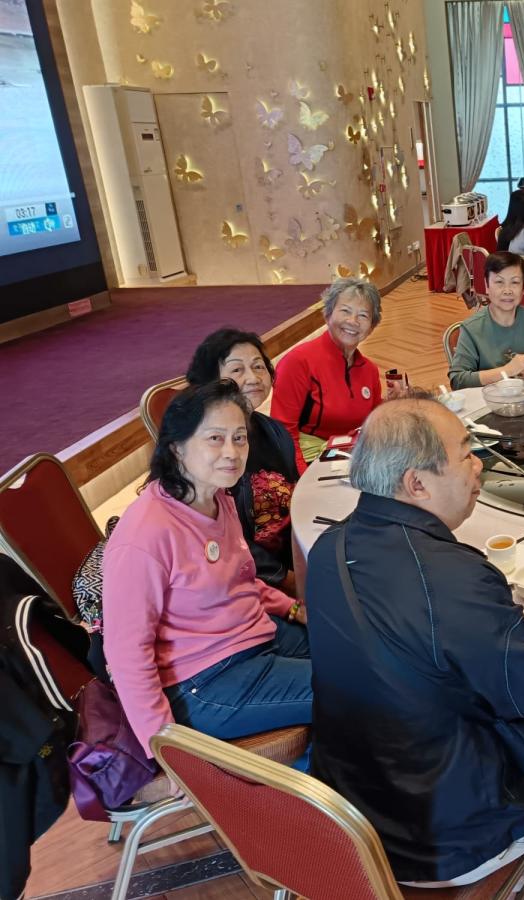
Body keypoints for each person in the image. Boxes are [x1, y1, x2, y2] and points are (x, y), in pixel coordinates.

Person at [305, 399, 524, 884]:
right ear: (416, 483)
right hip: (439, 840)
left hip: (347, 814)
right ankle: (522, 876)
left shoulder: (328, 547)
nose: (479, 466)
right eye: (467, 454)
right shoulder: (451, 578)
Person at [103, 380, 312, 756]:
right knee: (352, 689)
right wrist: (164, 747)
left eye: (239, 438)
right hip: (204, 680)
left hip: (254, 636)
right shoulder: (145, 535)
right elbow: (126, 652)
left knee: (355, 652)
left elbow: (240, 580)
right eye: (215, 438)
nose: (232, 452)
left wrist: (293, 608)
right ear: (177, 448)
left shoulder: (218, 497)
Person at [186, 329, 299, 589]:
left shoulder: (274, 431)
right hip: (243, 577)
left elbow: (295, 496)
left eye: (258, 366)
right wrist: (286, 578)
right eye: (237, 370)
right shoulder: (206, 452)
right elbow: (218, 537)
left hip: (291, 554)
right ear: (211, 381)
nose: (253, 378)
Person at [272, 277, 384, 471]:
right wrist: (301, 478)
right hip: (310, 463)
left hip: (355, 459)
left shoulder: (369, 370)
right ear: (328, 315)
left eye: (363, 315)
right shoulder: (298, 362)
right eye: (345, 311)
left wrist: (394, 403)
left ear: (372, 327)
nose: (353, 321)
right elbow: (282, 432)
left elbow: (373, 424)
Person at [448, 250, 524, 389]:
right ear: (486, 286)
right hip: (490, 400)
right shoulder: (472, 328)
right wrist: (508, 370)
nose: (507, 290)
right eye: (499, 282)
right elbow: (458, 380)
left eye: (515, 282)